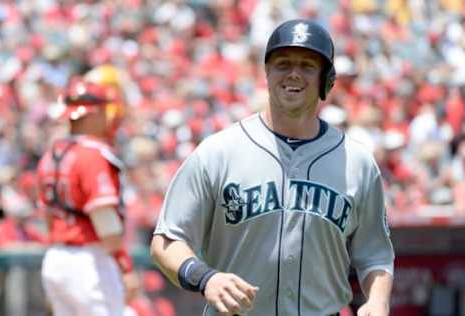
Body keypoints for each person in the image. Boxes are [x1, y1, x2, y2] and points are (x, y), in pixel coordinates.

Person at [151, 18, 395, 316]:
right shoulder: (218, 152)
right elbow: (167, 240)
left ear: (326, 79)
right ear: (266, 73)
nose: (293, 74)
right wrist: (206, 278)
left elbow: (375, 255)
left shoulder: (357, 162)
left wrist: (378, 300)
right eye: (282, 64)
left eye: (307, 65)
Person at [36, 66, 138, 316]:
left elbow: (48, 217)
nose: (108, 116)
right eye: (102, 110)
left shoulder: (51, 154)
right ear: (90, 114)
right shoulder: (93, 154)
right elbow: (104, 219)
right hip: (89, 261)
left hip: (55, 259)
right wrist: (124, 265)